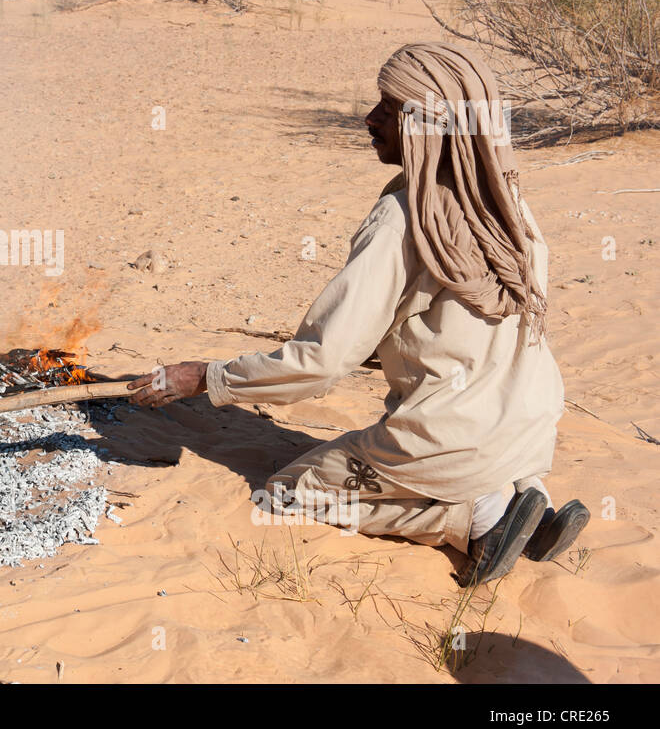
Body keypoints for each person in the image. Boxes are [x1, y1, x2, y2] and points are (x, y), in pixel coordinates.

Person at [128, 42, 588, 585]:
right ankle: (529, 497)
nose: (370, 119)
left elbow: (323, 362)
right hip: (531, 424)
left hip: (454, 439)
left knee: (285, 492)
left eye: (390, 111)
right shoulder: (507, 201)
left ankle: (474, 519)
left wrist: (208, 376)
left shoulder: (404, 219)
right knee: (481, 444)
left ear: (427, 127)